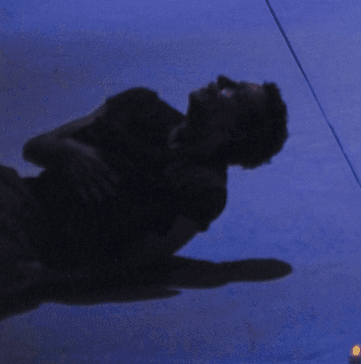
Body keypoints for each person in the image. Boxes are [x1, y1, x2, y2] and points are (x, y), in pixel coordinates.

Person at [0, 77, 288, 297]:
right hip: (16, 194)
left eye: (234, 91)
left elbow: (133, 262)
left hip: (33, 243)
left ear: (234, 131)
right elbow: (35, 147)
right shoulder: (140, 105)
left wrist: (46, 277)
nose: (221, 81)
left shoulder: (202, 188)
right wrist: (67, 152)